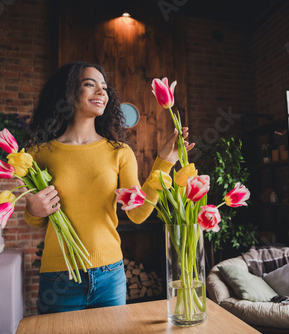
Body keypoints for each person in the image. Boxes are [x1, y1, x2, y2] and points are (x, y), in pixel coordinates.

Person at [22, 61, 194, 314]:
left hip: (109, 275)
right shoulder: (38, 154)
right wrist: (34, 211)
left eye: (104, 87)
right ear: (67, 92)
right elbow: (36, 220)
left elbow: (137, 214)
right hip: (59, 276)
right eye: (89, 85)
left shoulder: (119, 152)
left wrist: (165, 162)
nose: (101, 92)